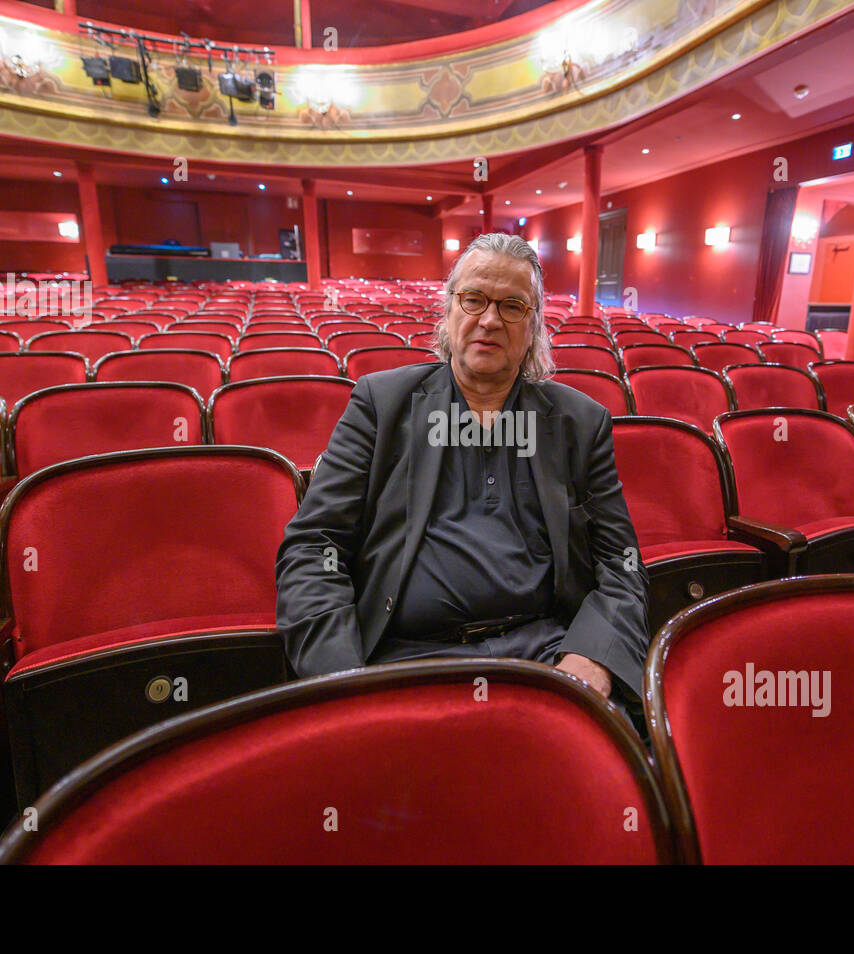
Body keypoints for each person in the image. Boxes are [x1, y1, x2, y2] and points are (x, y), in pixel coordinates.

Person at [275, 232, 649, 704]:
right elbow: (313, 546)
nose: (490, 320)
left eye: (513, 306)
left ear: (533, 326)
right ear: (449, 310)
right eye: (473, 299)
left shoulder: (579, 423)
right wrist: (343, 676)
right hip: (407, 658)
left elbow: (622, 563)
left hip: (548, 656)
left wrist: (594, 654)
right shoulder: (380, 405)